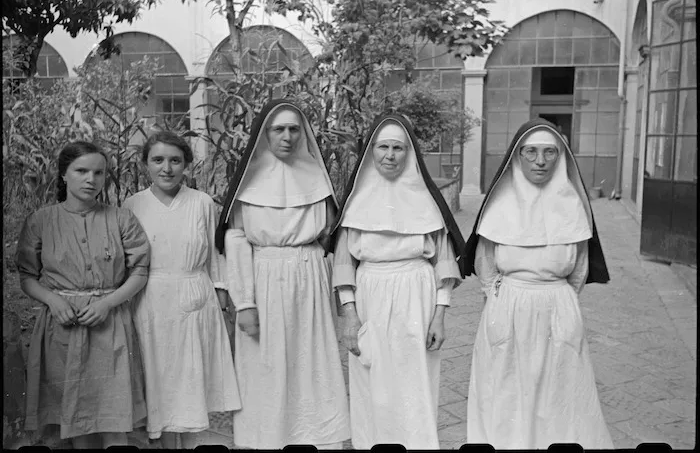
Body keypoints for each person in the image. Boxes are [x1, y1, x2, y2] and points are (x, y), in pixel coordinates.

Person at [462, 118, 614, 449]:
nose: (540, 161)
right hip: (507, 308)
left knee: (560, 394)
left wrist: (555, 300)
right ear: (517, 156)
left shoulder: (573, 206)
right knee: (505, 393)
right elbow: (485, 265)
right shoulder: (499, 205)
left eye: (549, 152)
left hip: (558, 307)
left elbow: (579, 271)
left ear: (560, 157)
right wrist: (505, 300)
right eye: (531, 152)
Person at [214, 99, 351, 449]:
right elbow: (237, 240)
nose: (287, 136)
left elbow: (331, 236)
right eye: (279, 129)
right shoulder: (249, 184)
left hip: (310, 279)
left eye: (294, 129)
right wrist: (244, 303)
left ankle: (320, 440)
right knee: (266, 366)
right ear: (265, 134)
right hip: (264, 279)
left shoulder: (316, 179)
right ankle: (266, 440)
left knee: (313, 362)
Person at [330, 114, 466, 449]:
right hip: (370, 292)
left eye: (398, 148)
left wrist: (439, 314)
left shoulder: (426, 202)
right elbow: (345, 263)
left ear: (409, 154)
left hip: (416, 292)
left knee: (415, 381)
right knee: (370, 377)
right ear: (371, 152)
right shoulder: (356, 203)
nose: (390, 155)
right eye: (383, 147)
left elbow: (445, 262)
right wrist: (349, 316)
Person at [15, 141, 150, 449]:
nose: (91, 179)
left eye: (99, 172)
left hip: (110, 325)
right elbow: (27, 277)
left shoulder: (121, 219)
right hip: (62, 326)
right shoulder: (41, 220)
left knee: (114, 416)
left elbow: (140, 272)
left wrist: (108, 303)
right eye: (81, 171)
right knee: (73, 416)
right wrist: (53, 300)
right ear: (64, 175)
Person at [123, 131, 241, 448]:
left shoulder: (202, 203)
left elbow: (215, 258)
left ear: (186, 164)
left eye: (175, 160)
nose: (167, 168)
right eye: (158, 160)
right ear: (145, 164)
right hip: (149, 300)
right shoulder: (132, 204)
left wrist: (221, 297)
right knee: (158, 379)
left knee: (191, 381)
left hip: (194, 296)